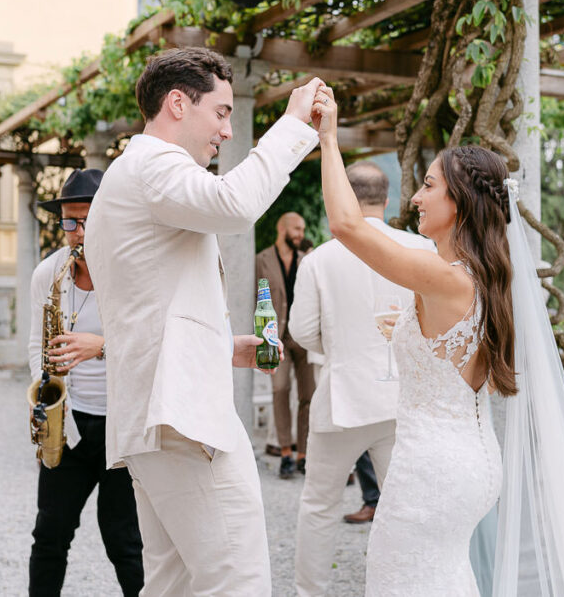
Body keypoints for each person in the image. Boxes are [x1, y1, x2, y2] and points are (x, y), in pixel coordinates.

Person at [312, 88, 564, 595]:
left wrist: (328, 138)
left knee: (403, 580)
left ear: (459, 200)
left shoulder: (448, 277)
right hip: (470, 459)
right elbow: (451, 354)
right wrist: (405, 332)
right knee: (443, 578)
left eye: (427, 186)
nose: (415, 198)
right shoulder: (485, 278)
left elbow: (346, 225)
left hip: (431, 471)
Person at [86, 47, 323, 596]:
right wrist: (291, 126)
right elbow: (235, 207)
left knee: (174, 585)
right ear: (176, 103)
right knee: (235, 581)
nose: (226, 129)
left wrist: (220, 343)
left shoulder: (133, 174)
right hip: (183, 418)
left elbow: (151, 303)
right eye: (221, 112)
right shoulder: (153, 165)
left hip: (157, 415)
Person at [289, 160, 432, 596]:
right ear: (387, 200)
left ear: (345, 197)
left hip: (341, 398)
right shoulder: (421, 249)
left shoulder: (319, 260)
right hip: (403, 399)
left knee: (318, 505)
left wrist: (335, 347)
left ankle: (309, 592)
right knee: (403, 505)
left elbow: (300, 330)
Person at [27, 168, 143, 597]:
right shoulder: (49, 274)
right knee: (49, 536)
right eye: (70, 222)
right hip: (70, 425)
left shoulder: (134, 272)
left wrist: (101, 346)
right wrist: (46, 408)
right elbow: (34, 347)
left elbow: (152, 344)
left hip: (123, 427)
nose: (77, 232)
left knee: (125, 542)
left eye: (88, 220)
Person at [256, 211, 314, 478]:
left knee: (308, 396)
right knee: (280, 390)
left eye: (303, 229)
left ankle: (303, 454)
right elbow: (254, 298)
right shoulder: (262, 260)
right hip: (273, 336)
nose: (301, 234)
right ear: (283, 229)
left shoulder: (308, 261)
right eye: (297, 229)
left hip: (303, 336)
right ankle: (286, 454)